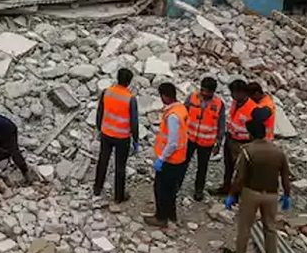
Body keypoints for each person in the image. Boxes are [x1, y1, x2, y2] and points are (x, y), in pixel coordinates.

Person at [223, 114, 292, 253]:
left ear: (250, 134)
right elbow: (285, 176)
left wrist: (232, 194)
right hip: (272, 194)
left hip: (251, 193)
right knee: (270, 228)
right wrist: (286, 195)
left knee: (244, 228)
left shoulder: (247, 150)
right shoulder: (278, 152)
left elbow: (240, 177)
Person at [93, 68, 139, 204]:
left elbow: (99, 112)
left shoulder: (106, 92)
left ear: (117, 78)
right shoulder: (130, 99)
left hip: (106, 133)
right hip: (122, 137)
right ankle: (119, 196)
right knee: (120, 167)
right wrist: (136, 140)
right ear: (129, 82)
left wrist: (99, 128)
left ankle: (97, 188)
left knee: (102, 161)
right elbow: (134, 121)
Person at [145, 82, 189, 227]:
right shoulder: (181, 108)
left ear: (165, 96)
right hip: (180, 158)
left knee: (161, 189)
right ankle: (171, 215)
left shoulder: (172, 116)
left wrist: (162, 159)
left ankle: (161, 218)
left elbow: (172, 143)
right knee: (171, 189)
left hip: (170, 160)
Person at [183, 77, 226, 201]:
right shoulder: (192, 98)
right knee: (182, 163)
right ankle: (176, 185)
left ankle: (198, 190)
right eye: (202, 90)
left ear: (213, 92)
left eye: (207, 91)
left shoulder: (218, 104)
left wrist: (218, 142)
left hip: (206, 142)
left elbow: (221, 124)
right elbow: (183, 113)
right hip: (189, 137)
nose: (204, 93)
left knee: (202, 167)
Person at [210, 79, 253, 196]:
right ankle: (226, 187)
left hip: (242, 143)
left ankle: (237, 192)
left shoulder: (252, 108)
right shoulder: (236, 103)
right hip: (231, 138)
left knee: (240, 169)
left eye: (234, 93)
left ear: (243, 93)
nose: (232, 96)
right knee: (228, 166)